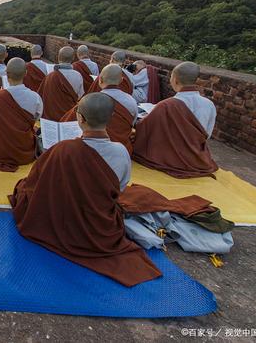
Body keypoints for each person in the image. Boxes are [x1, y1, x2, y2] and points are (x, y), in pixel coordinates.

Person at [9, 93, 162, 287]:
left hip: (60, 220)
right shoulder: (121, 152)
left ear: (79, 118)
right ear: (111, 117)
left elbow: (38, 183)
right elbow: (120, 189)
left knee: (24, 188)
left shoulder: (62, 149)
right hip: (100, 226)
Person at [133, 62, 218, 178]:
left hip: (169, 158)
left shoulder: (166, 105)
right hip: (197, 159)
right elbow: (206, 135)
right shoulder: (209, 105)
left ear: (175, 80)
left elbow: (144, 129)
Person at [61, 64, 137, 154]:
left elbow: (68, 122)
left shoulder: (90, 101)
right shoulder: (132, 102)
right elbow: (132, 124)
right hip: (121, 148)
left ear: (100, 80)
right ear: (121, 80)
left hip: (91, 148)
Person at [37, 46, 84, 120]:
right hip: (69, 117)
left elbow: (41, 97)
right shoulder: (78, 76)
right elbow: (80, 96)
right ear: (73, 58)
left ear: (58, 57)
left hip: (51, 117)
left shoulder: (50, 76)